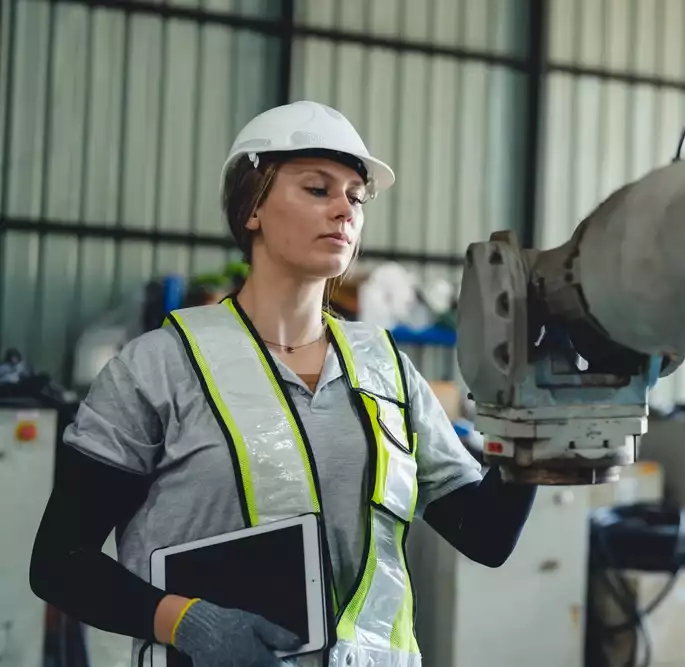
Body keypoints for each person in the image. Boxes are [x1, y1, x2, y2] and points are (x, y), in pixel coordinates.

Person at [30, 101, 537, 667]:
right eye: (318, 189)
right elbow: (60, 561)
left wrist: (539, 421)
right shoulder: (158, 369)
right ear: (253, 207)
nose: (344, 209)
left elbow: (487, 537)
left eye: (356, 196)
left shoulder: (388, 369)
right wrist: (186, 622)